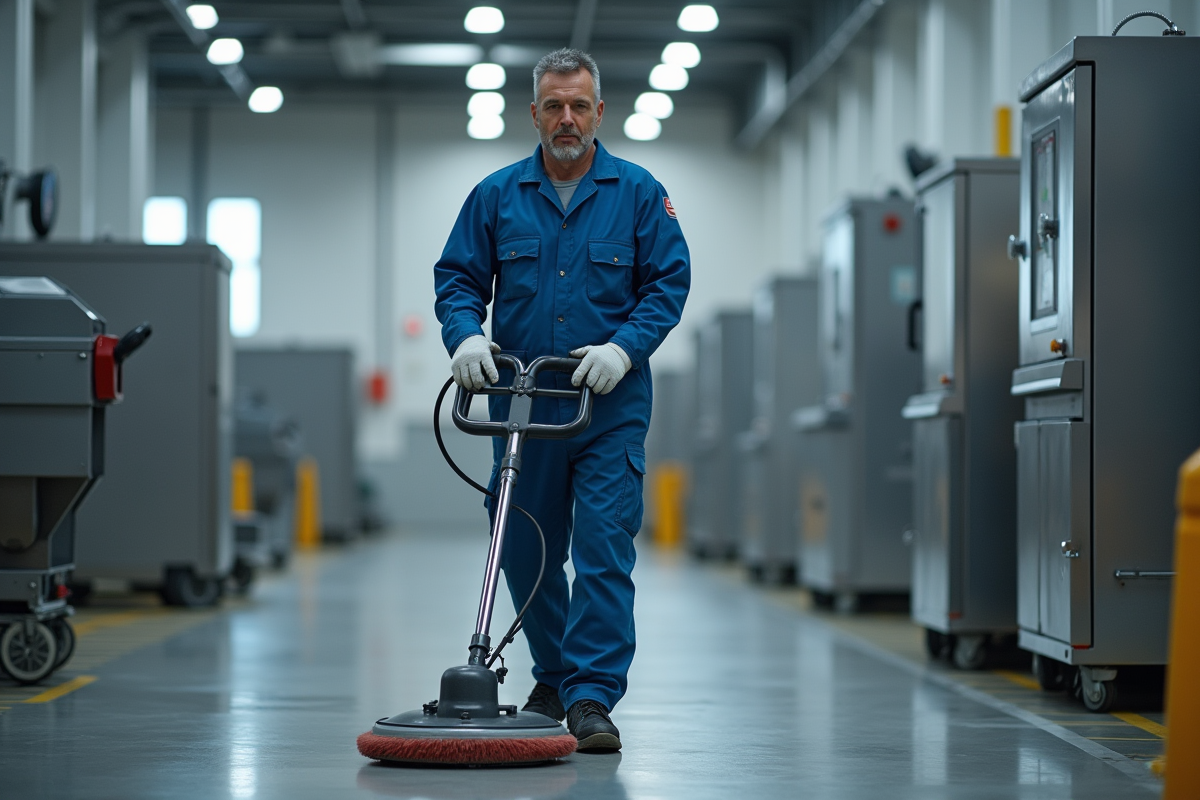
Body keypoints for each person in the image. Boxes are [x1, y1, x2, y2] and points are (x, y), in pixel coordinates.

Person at [434, 48, 690, 752]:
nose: (567, 118)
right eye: (554, 106)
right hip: (521, 403)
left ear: (600, 111)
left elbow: (668, 284)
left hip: (608, 406)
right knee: (523, 543)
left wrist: (624, 347)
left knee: (602, 548)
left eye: (580, 105)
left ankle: (590, 697)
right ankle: (554, 673)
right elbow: (457, 278)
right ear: (535, 113)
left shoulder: (639, 193)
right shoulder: (496, 195)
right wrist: (464, 337)